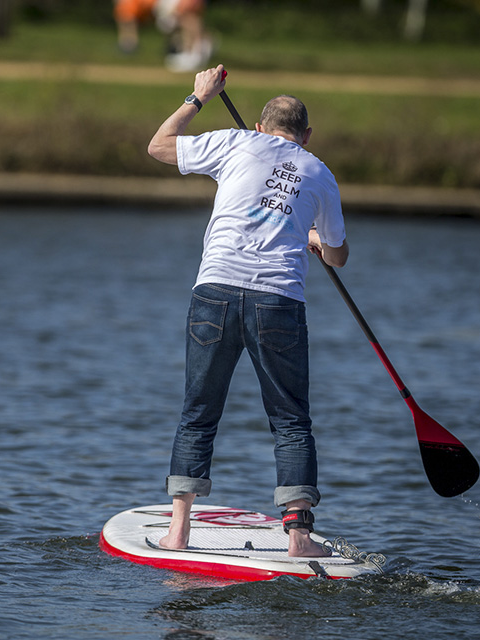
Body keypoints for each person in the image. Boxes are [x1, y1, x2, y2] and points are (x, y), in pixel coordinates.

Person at [147, 64, 349, 557]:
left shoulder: (236, 143)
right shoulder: (319, 171)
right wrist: (315, 239)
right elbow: (339, 255)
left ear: (260, 128)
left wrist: (199, 97)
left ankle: (178, 532)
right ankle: (299, 537)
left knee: (198, 413)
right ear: (306, 136)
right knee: (291, 422)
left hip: (213, 294)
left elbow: (158, 145)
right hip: (278, 301)